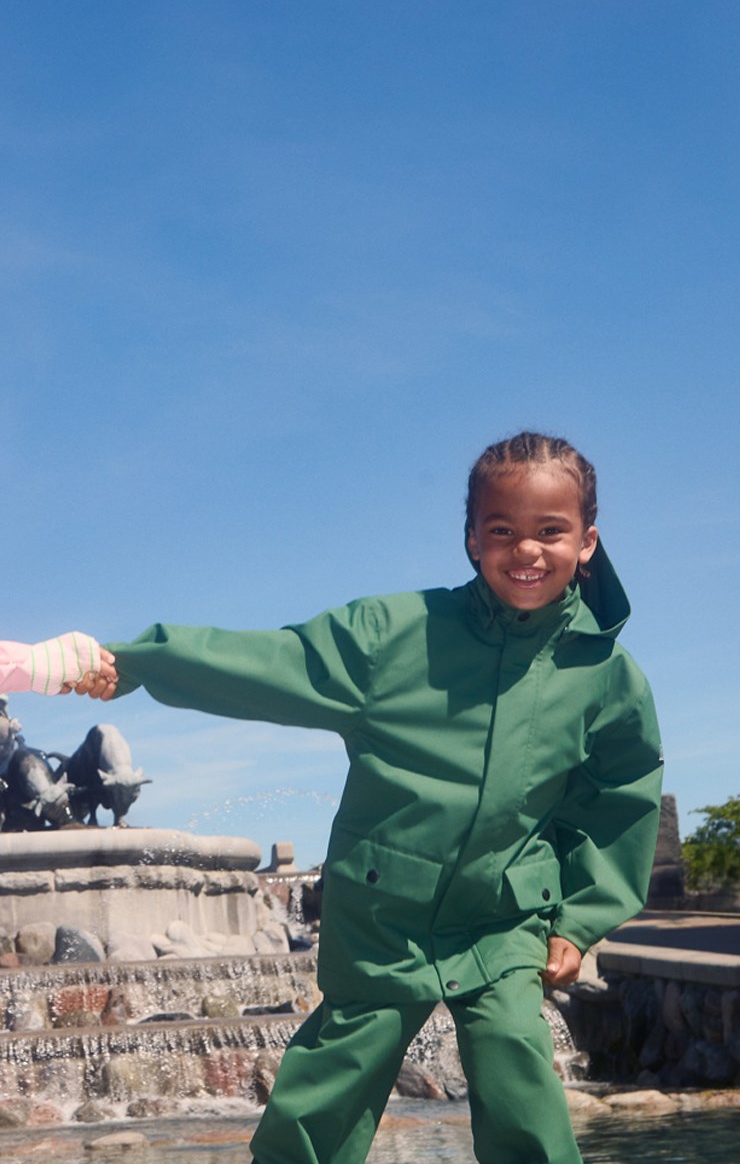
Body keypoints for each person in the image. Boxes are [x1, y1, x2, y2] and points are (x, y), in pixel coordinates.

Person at [24, 431, 664, 1164]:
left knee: (522, 1078)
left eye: (551, 531)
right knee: (325, 1094)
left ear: (587, 542)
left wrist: (578, 919)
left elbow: (619, 801)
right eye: (502, 531)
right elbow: (267, 662)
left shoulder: (608, 676)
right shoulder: (393, 638)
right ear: (470, 539)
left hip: (505, 917)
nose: (526, 550)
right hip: (384, 913)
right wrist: (132, 662)